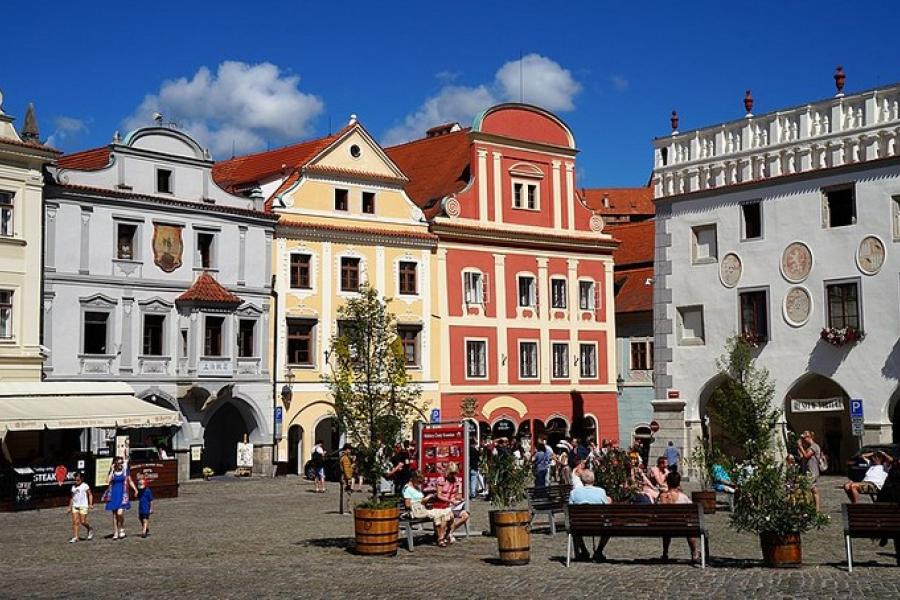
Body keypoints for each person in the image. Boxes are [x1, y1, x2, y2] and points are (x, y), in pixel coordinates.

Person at [658, 471, 701, 564]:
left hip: (664, 526)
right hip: (681, 526)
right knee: (689, 528)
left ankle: (665, 553)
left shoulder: (661, 496)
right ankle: (694, 552)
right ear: (678, 483)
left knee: (667, 528)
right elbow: (692, 511)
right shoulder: (683, 497)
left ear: (667, 482)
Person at [569, 469, 610, 562]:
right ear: (593, 480)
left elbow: (570, 510)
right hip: (598, 525)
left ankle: (584, 551)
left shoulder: (574, 493)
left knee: (574, 527)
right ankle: (599, 551)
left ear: (582, 480)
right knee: (608, 529)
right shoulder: (601, 491)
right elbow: (607, 508)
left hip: (579, 526)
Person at [402, 473, 453, 547]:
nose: (420, 484)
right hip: (415, 511)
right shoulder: (407, 489)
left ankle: (440, 537)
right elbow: (408, 505)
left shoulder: (416, 487)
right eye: (419, 482)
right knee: (440, 514)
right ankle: (441, 538)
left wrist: (428, 498)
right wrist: (422, 501)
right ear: (414, 479)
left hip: (423, 509)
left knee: (443, 513)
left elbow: (421, 500)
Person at [433, 463, 469, 543]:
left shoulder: (457, 480)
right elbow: (439, 495)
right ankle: (446, 535)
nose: (453, 475)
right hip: (443, 505)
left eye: (455, 473)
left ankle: (449, 532)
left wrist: (459, 499)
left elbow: (458, 495)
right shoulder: (441, 480)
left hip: (453, 505)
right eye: (452, 473)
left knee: (465, 515)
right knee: (450, 515)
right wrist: (450, 501)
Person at [105, 456, 138, 540]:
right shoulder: (112, 472)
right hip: (113, 494)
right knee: (114, 515)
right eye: (119, 463)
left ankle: (122, 528)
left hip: (122, 494)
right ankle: (116, 532)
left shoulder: (125, 471)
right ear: (115, 463)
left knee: (120, 513)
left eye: (122, 462)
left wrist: (135, 489)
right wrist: (112, 470)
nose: (121, 464)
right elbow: (107, 481)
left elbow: (129, 480)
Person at [796, 431, 822, 510]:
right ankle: (815, 509)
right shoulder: (807, 448)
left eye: (804, 438)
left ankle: (809, 508)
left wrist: (800, 447)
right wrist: (799, 447)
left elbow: (807, 456)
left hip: (812, 472)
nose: (803, 440)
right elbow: (802, 457)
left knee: (805, 488)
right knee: (814, 490)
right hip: (807, 471)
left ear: (809, 437)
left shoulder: (814, 446)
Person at [67, 472, 93, 543]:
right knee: (75, 522)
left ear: (81, 479)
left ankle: (89, 528)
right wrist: (69, 507)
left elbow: (90, 494)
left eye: (78, 480)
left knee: (83, 521)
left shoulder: (85, 486)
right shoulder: (73, 487)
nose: (76, 481)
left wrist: (90, 504)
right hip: (75, 506)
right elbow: (72, 497)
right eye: (75, 479)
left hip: (83, 505)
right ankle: (76, 537)